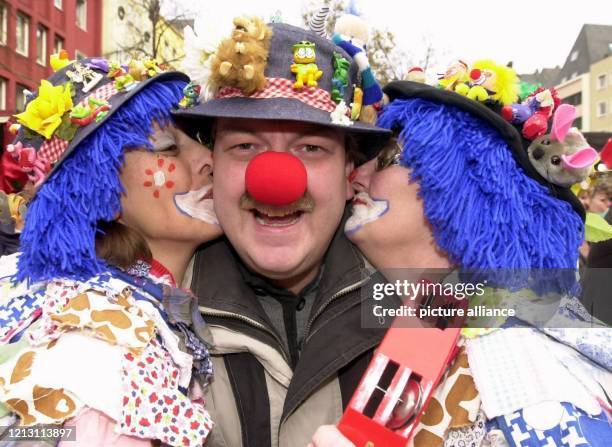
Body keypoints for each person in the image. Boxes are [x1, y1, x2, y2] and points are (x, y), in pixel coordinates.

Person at [314, 78, 612, 445]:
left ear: (473, 192)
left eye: (392, 157)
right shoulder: (433, 317)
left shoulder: (529, 380)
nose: (356, 177)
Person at [172, 18, 395, 447]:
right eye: (244, 146)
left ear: (351, 174)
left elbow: (553, 309)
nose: (275, 181)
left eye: (311, 148)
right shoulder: (152, 319)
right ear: (212, 166)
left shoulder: (422, 301)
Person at [0, 56, 221, 446]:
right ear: (100, 191)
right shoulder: (99, 346)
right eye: (169, 148)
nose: (209, 161)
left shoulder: (144, 307)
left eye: (202, 141)